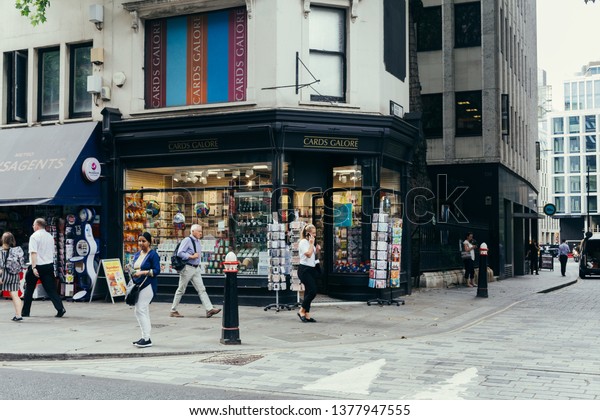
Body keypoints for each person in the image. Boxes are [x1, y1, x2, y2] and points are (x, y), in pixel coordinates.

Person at [169, 224, 221, 318]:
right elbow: (180, 253)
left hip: (195, 268)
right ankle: (173, 310)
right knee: (181, 289)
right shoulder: (187, 240)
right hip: (188, 268)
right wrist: (191, 256)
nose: (201, 233)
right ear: (193, 231)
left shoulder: (197, 241)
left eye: (201, 231)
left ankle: (209, 309)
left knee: (201, 289)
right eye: (199, 231)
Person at [22, 218, 66, 318]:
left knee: (29, 289)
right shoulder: (50, 236)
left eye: (33, 225)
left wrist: (33, 267)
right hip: (48, 265)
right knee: (51, 289)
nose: (33, 227)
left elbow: (33, 253)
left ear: (37, 225)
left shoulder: (34, 237)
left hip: (37, 265)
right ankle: (60, 308)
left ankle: (25, 311)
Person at [130, 232, 161, 348]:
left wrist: (143, 272)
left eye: (144, 241)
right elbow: (135, 268)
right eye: (139, 241)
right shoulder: (137, 254)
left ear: (149, 242)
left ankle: (146, 338)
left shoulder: (153, 255)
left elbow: (157, 271)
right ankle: (145, 337)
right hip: (138, 285)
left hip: (148, 285)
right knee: (143, 310)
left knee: (140, 310)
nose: (141, 243)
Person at [297, 223, 320, 322]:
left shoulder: (310, 242)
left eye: (315, 233)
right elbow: (309, 255)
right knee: (312, 291)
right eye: (313, 233)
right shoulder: (303, 242)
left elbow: (314, 256)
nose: (315, 235)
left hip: (311, 269)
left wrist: (317, 250)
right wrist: (311, 244)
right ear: (308, 234)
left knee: (308, 292)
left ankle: (307, 313)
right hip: (304, 270)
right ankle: (302, 310)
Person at [0, 232, 25, 321]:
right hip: (14, 275)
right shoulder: (16, 250)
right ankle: (18, 315)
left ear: (2, 240)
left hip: (3, 275)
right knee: (15, 295)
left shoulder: (0, 251)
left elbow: (1, 265)